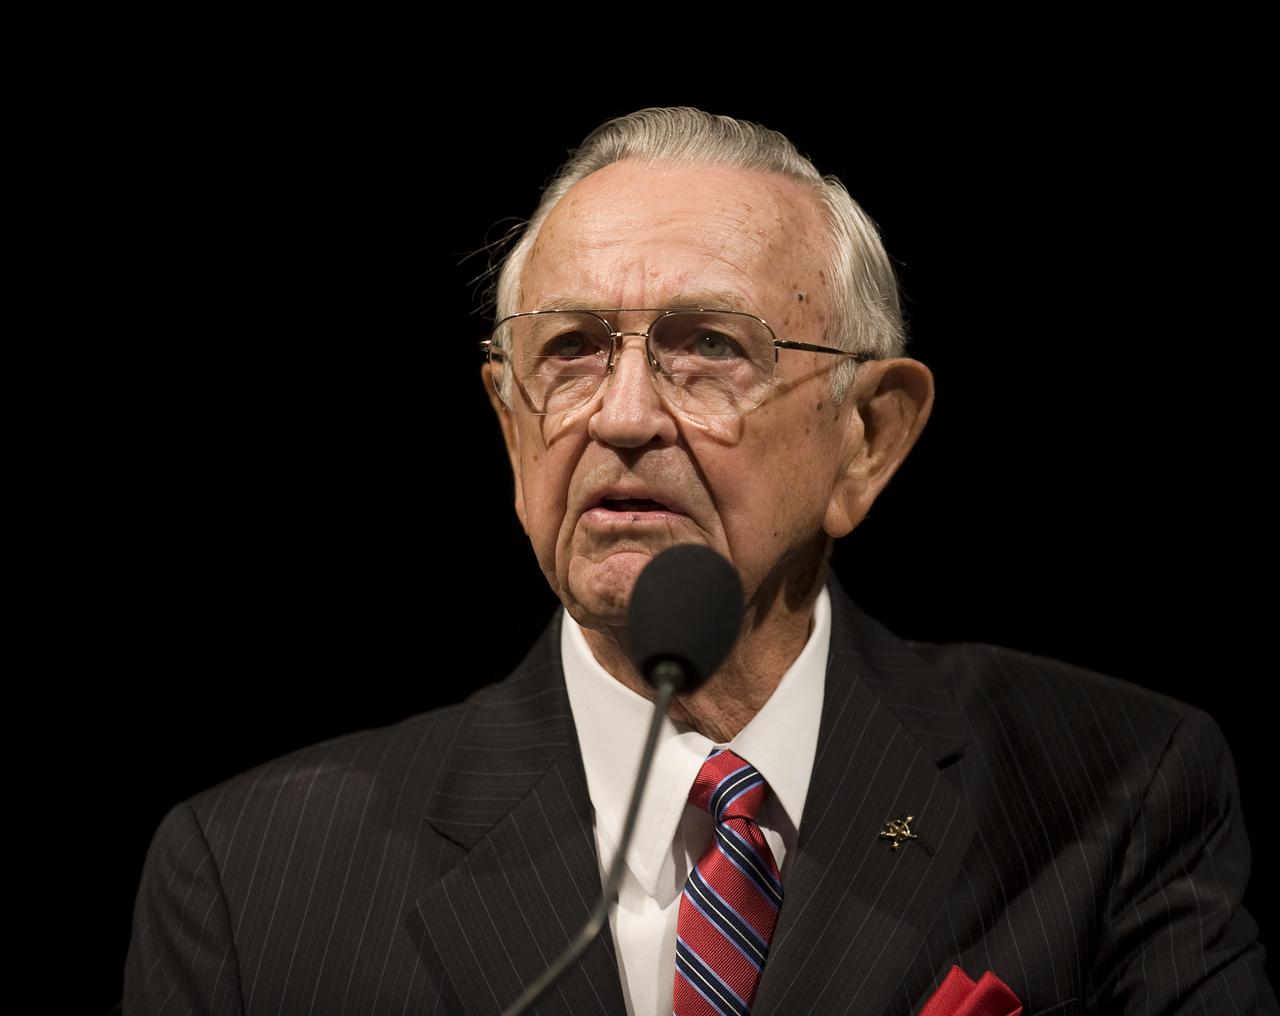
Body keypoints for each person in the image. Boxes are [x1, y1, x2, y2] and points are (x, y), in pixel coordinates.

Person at [124, 107, 1276, 1015]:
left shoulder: (1108, 790)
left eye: (706, 348)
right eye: (570, 350)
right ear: (510, 420)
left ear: (865, 438)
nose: (620, 415)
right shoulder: (253, 872)